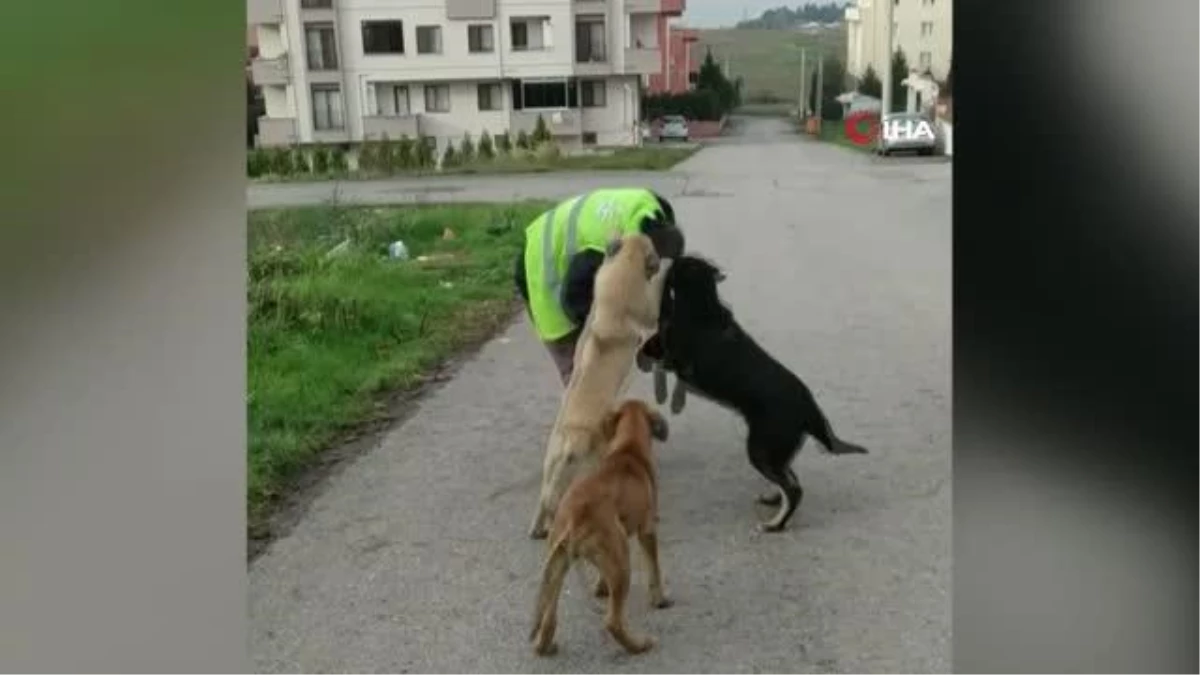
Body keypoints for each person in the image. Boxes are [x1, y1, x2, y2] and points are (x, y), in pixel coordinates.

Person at [513, 187, 685, 385]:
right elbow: (574, 298)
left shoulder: (644, 212)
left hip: (561, 249)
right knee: (581, 375)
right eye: (652, 265)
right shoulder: (610, 247)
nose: (652, 272)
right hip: (542, 267)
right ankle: (585, 412)